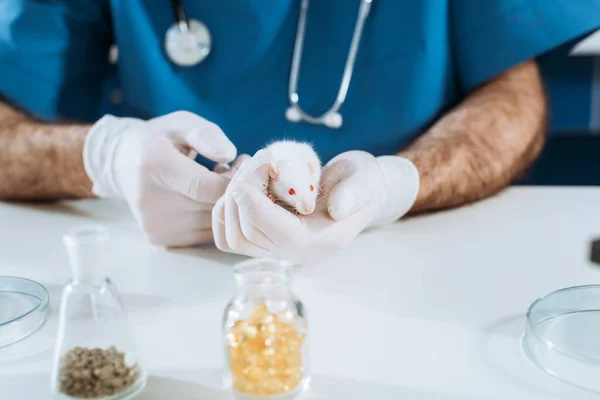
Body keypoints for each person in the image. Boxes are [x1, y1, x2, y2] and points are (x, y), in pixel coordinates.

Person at [0, 1, 599, 260]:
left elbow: (513, 96)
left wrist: (400, 185)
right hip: (173, 263)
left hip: (415, 252)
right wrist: (105, 157)